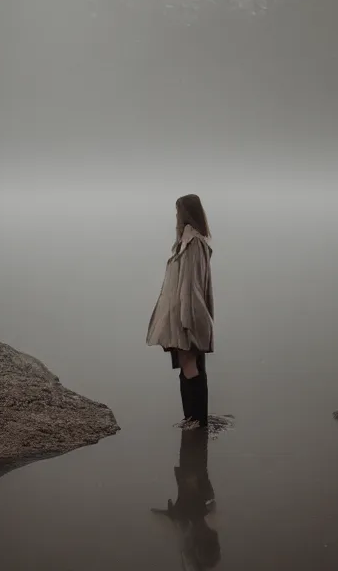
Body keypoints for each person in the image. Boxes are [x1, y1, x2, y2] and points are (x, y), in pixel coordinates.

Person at [147, 194, 214, 428]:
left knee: (190, 365)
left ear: (186, 213)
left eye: (178, 211)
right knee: (188, 365)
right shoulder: (186, 243)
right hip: (182, 315)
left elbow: (193, 285)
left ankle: (197, 419)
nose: (176, 216)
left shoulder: (194, 244)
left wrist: (188, 318)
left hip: (189, 315)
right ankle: (192, 417)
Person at [151, 427, 221, 570]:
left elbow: (169, 513)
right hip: (193, 462)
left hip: (191, 462)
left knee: (191, 434)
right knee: (192, 434)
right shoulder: (207, 506)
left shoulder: (204, 509)